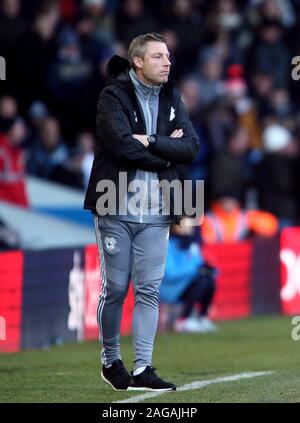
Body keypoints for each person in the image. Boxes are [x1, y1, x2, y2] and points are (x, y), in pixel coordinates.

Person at [84, 33, 200, 391]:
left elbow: (192, 146)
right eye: (158, 57)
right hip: (114, 203)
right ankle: (110, 359)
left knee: (149, 290)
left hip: (161, 207)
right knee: (116, 288)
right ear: (138, 62)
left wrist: (149, 141)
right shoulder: (112, 95)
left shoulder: (172, 96)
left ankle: (144, 367)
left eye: (168, 56)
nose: (168, 62)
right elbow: (120, 146)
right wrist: (168, 150)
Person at [160, 217, 217, 333]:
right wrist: (196, 270)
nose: (188, 229)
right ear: (175, 227)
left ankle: (202, 317)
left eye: (190, 226)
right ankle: (184, 320)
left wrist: (209, 270)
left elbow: (200, 266)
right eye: (184, 226)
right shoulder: (168, 245)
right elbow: (169, 273)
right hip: (171, 289)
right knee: (201, 282)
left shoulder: (192, 247)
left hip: (186, 286)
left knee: (208, 280)